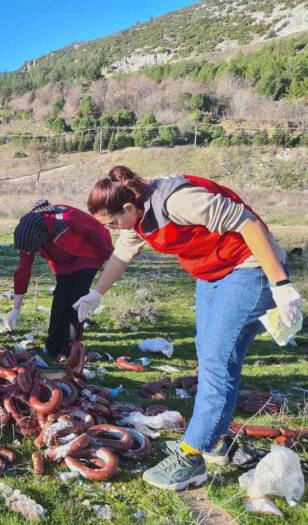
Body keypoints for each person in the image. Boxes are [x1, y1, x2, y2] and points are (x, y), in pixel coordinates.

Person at [74, 165, 303, 490]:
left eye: (113, 222)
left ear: (127, 208)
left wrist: (280, 283)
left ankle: (191, 457)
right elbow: (121, 255)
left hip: (250, 269)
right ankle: (216, 442)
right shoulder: (135, 217)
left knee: (216, 365)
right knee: (210, 356)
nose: (112, 229)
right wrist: (96, 294)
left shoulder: (178, 201)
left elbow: (249, 224)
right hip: (212, 273)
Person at [4, 200, 113, 360]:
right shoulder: (27, 234)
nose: (28, 253)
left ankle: (71, 348)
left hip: (87, 257)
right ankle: (53, 347)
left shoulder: (68, 218)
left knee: (76, 300)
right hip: (62, 262)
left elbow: (98, 231)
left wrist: (109, 258)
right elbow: (23, 271)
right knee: (60, 298)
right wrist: (16, 309)